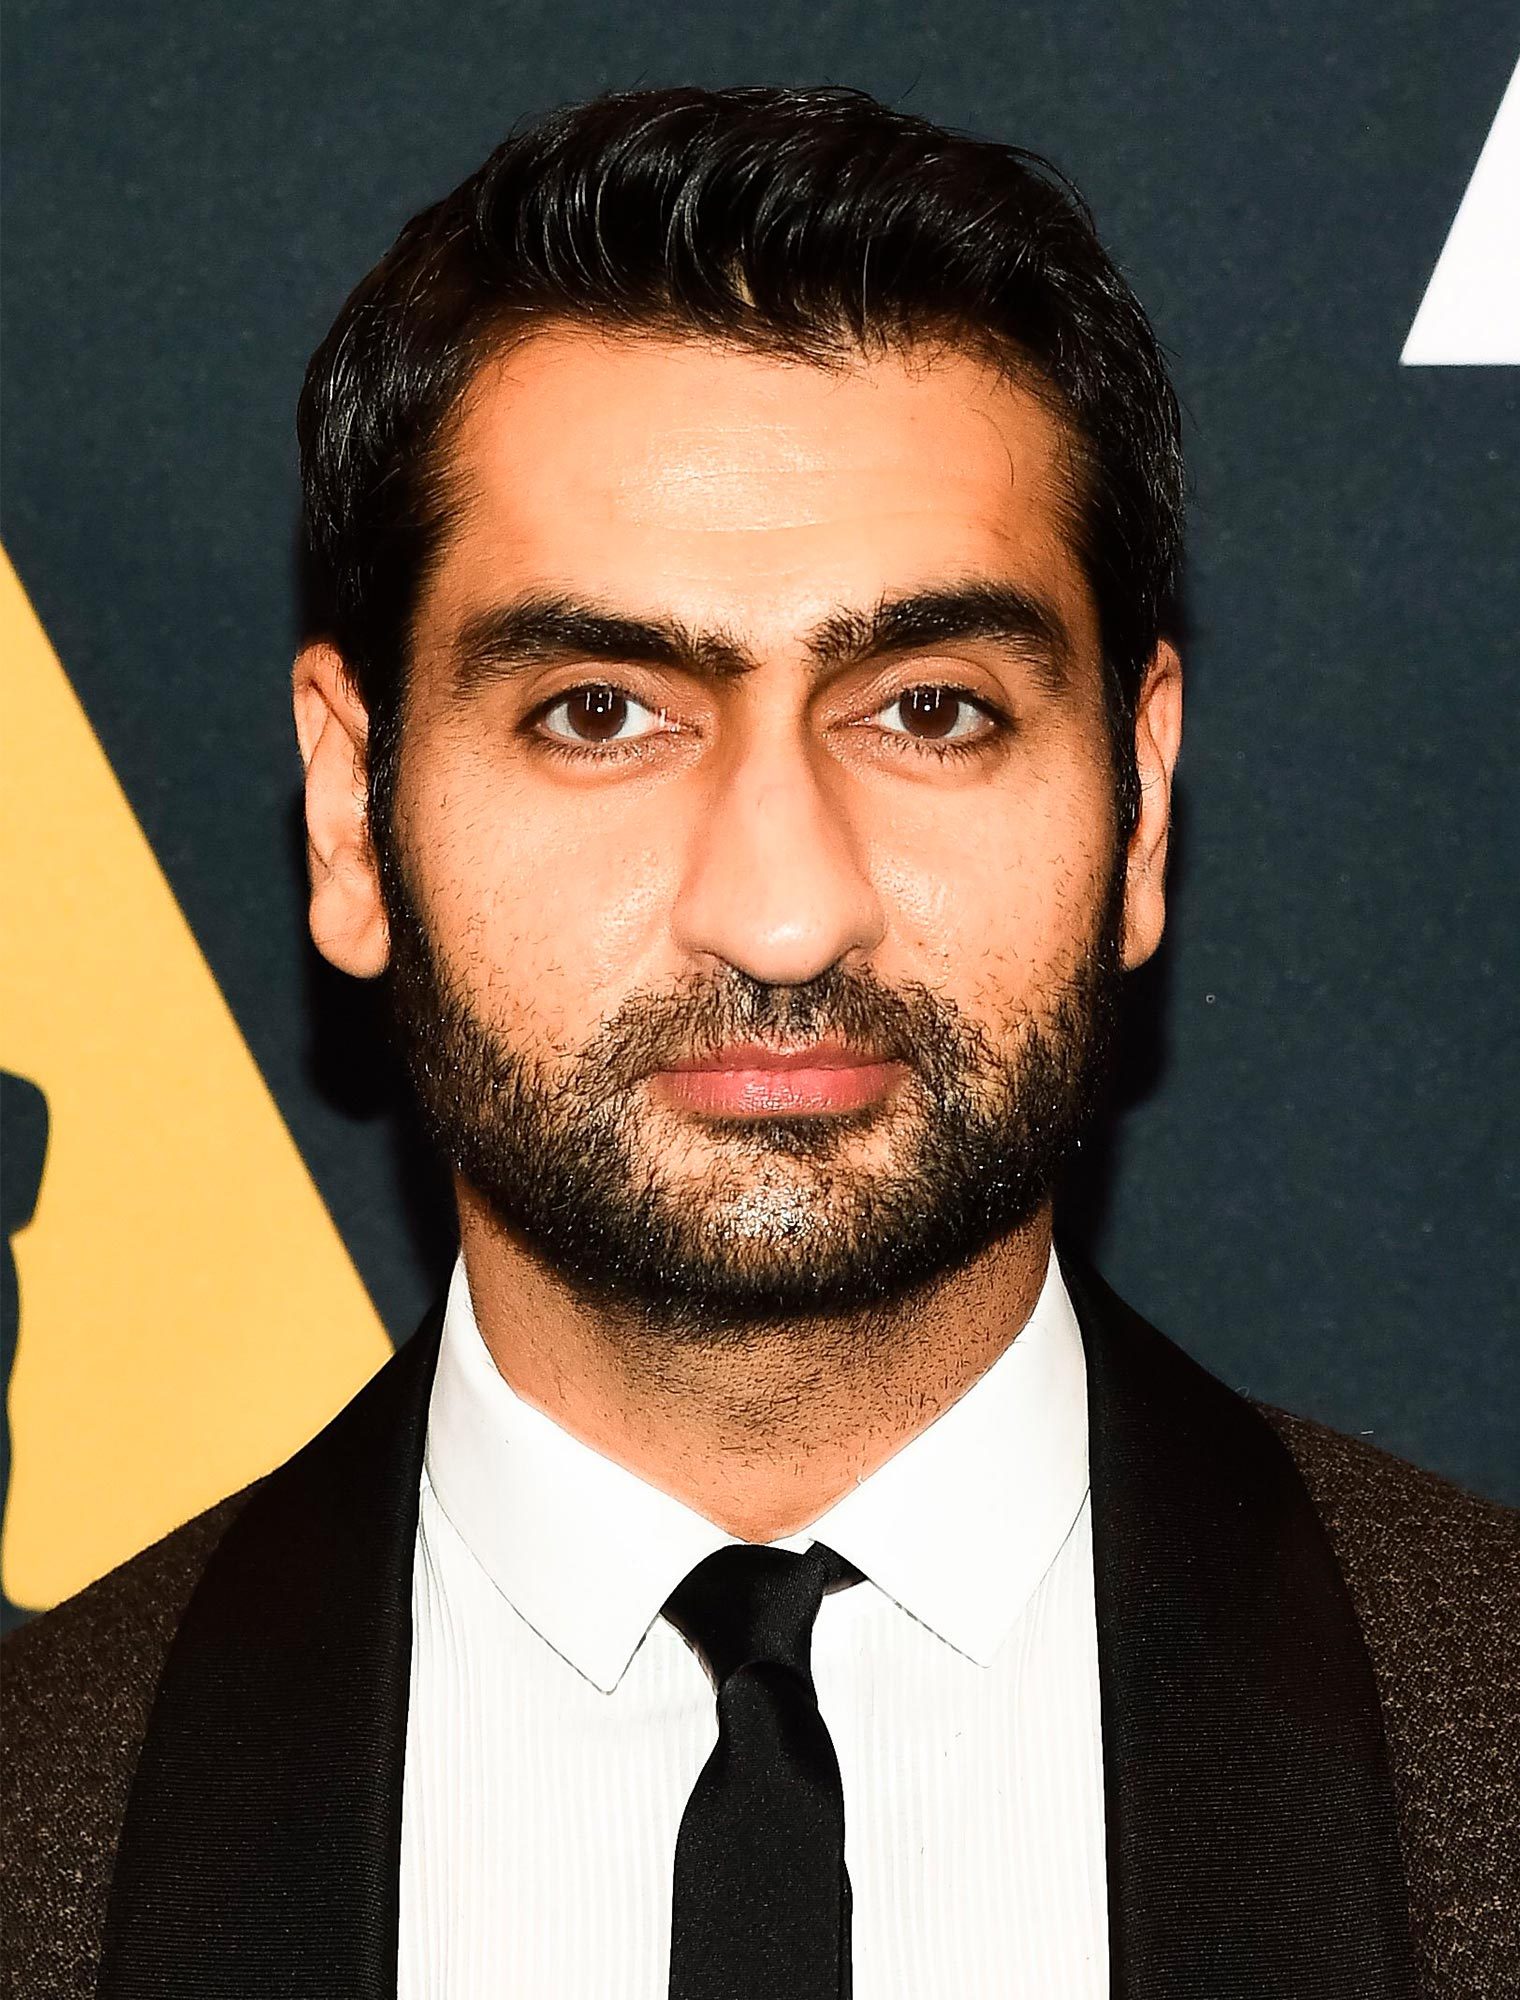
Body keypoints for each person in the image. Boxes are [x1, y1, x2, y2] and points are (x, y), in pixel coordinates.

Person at [3, 84, 1514, 2000]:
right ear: (346, 812)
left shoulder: (1489, 1736)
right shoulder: (40, 1821)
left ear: (1139, 802)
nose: (783, 910)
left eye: (935, 709)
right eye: (601, 713)